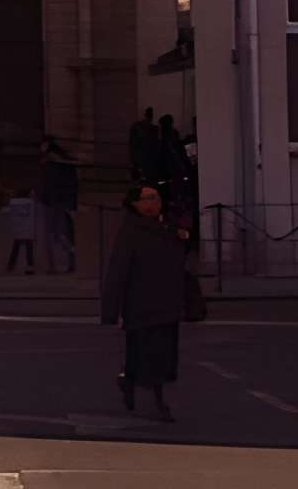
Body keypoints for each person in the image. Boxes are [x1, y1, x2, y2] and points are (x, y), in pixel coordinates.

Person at [100, 180, 190, 421]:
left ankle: (145, 391)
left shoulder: (168, 226)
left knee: (162, 356)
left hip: (167, 304)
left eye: (156, 197)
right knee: (143, 355)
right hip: (141, 306)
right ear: (135, 204)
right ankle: (145, 395)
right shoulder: (131, 230)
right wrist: (110, 311)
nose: (154, 202)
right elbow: (118, 270)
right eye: (148, 198)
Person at [37, 135, 79, 274]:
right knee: (60, 234)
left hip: (54, 202)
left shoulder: (51, 163)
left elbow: (48, 184)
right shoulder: (58, 162)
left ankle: (59, 264)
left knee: (56, 235)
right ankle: (66, 261)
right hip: (58, 202)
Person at [155, 116, 196, 222]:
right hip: (175, 168)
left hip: (168, 168)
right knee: (178, 189)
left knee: (172, 190)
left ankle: (173, 212)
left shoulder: (163, 137)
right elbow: (178, 151)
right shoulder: (171, 135)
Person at [127, 105, 158, 181]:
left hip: (141, 156)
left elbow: (132, 143)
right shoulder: (152, 128)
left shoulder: (137, 126)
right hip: (145, 157)